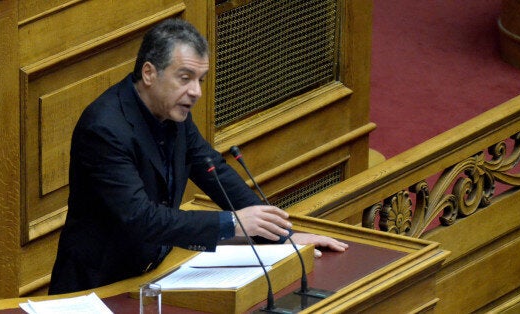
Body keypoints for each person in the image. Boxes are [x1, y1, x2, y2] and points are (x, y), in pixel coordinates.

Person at [49, 18, 348, 295]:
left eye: (200, 80)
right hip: (99, 286)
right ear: (149, 73)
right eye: (185, 78)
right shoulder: (104, 128)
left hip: (154, 274)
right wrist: (232, 223)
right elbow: (140, 218)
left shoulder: (173, 112)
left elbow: (214, 171)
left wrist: (280, 237)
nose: (195, 92)